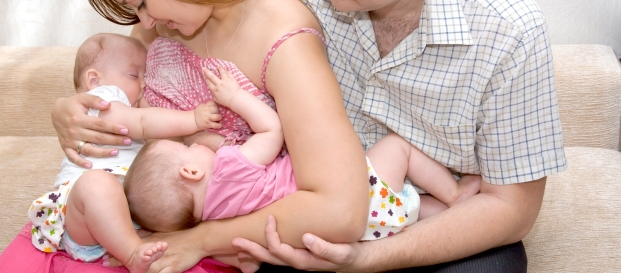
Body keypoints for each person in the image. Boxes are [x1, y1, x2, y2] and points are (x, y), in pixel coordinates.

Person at [0, 0, 369, 273]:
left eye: (139, 2)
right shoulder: (163, 25)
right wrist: (69, 109)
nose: (144, 22)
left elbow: (341, 210)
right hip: (119, 224)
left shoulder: (282, 36)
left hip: (203, 242)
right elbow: (119, 100)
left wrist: (198, 240)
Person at [231, 0, 567, 271]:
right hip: (314, 203)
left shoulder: (509, 30)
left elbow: (511, 209)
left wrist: (366, 258)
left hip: (436, 220)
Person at [125, 66, 480, 244]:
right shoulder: (230, 167)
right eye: (188, 149)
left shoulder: (216, 222)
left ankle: (450, 211)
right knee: (398, 147)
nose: (196, 145)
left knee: (412, 211)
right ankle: (455, 194)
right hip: (358, 197)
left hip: (365, 235)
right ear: (190, 172)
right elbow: (271, 130)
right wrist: (233, 98)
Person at [27, 33, 222, 272]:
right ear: (94, 80)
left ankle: (134, 240)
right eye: (134, 75)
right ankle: (132, 255)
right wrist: (192, 119)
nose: (142, 84)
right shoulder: (98, 101)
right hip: (82, 215)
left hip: (126, 216)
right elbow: (141, 122)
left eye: (145, 77)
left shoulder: (128, 101)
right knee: (97, 184)